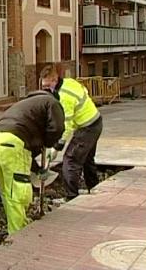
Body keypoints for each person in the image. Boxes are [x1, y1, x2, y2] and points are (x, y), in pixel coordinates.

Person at [0, 90, 65, 234]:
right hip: (12, 143)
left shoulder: (25, 105)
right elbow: (57, 128)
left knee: (7, 189)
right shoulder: (53, 102)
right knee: (19, 191)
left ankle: (16, 224)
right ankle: (18, 234)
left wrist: (36, 169)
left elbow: (24, 154)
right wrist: (49, 144)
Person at [40, 65, 103, 201]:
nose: (46, 89)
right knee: (86, 158)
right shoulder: (70, 82)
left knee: (70, 160)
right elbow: (84, 90)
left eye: (47, 85)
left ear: (55, 80)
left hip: (87, 127)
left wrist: (57, 146)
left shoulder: (64, 97)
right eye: (43, 86)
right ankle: (93, 187)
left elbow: (66, 126)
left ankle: (71, 196)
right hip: (96, 121)